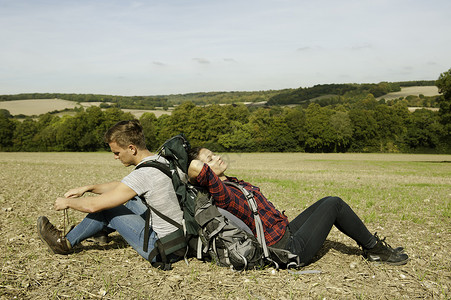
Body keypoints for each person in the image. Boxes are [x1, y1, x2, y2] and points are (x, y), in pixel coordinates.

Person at [187, 147, 409, 266]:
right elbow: (195, 167)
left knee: (327, 200)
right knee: (334, 204)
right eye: (210, 158)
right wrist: (183, 160)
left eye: (214, 153)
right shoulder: (222, 192)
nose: (217, 157)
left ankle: (374, 248)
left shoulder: (232, 182)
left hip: (285, 232)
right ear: (206, 176)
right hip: (286, 249)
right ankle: (375, 250)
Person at [37, 120, 183, 265]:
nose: (115, 157)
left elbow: (94, 205)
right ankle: (100, 232)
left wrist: (67, 202)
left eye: (117, 152)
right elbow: (121, 187)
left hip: (162, 249)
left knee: (107, 208)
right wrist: (88, 188)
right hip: (178, 241)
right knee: (134, 201)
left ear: (131, 148)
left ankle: (63, 243)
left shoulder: (144, 174)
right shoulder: (161, 161)